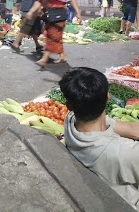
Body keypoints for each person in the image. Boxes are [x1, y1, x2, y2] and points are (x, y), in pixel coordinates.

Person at [59, 67, 139, 211]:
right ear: (108, 98)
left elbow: (131, 129)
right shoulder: (123, 153)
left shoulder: (71, 120)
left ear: (69, 106)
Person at [26, 0, 82, 67]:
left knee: (52, 36)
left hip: (59, 16)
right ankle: (63, 56)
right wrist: (31, 11)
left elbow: (71, 0)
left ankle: (44, 59)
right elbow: (39, 1)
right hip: (49, 16)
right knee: (56, 36)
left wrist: (78, 13)